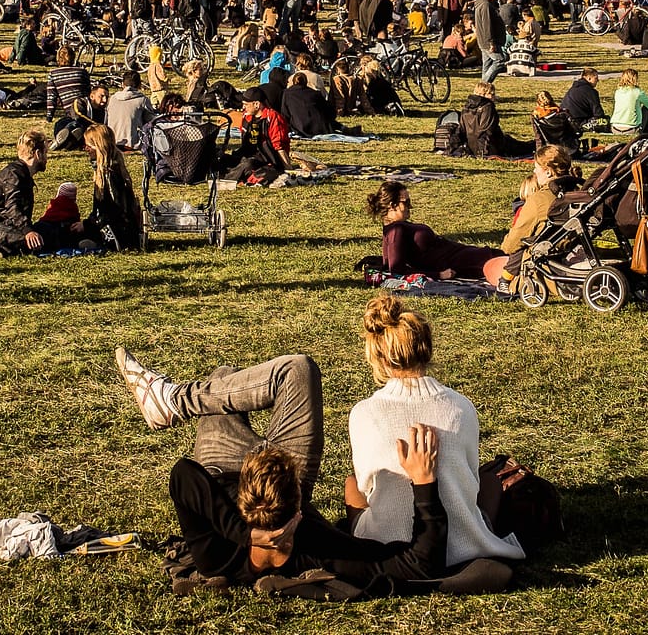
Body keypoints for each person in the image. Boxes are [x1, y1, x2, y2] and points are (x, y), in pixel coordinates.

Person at [112, 349, 462, 594]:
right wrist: (425, 483)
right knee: (291, 370)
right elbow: (420, 565)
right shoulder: (319, 548)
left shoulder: (214, 557)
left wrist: (244, 534)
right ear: (298, 511)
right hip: (278, 466)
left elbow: (184, 475)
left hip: (219, 466)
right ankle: (173, 401)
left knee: (223, 378)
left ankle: (173, 402)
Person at [346, 295, 526, 569]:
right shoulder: (461, 407)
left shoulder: (363, 413)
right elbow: (470, 479)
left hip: (387, 544)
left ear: (379, 356)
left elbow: (365, 485)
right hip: (461, 545)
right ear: (427, 349)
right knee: (487, 482)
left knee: (351, 485)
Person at [0, 130, 81, 258]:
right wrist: (28, 231)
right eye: (45, 153)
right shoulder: (14, 175)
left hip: (6, 225)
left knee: (44, 230)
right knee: (33, 240)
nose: (46, 158)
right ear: (38, 154)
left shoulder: (22, 175)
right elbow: (12, 207)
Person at [369, 181, 501, 280]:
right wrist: (439, 275)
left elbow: (389, 263)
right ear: (392, 206)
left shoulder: (392, 229)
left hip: (465, 256)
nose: (410, 206)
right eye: (406, 202)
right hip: (464, 262)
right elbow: (397, 270)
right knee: (506, 264)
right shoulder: (395, 231)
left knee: (505, 259)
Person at [82, 123, 143, 250]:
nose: (86, 150)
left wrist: (87, 225)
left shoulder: (110, 174)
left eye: (88, 146)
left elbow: (113, 213)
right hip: (117, 228)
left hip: (117, 233)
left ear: (98, 147)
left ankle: (98, 242)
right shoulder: (110, 170)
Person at [460, 81, 533, 158]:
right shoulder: (487, 107)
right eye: (492, 94)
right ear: (485, 94)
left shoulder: (466, 107)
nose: (494, 97)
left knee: (514, 142)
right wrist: (484, 153)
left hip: (470, 146)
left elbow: (462, 129)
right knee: (523, 146)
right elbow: (487, 131)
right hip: (490, 147)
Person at [105, 68, 155, 152]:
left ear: (122, 84)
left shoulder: (112, 98)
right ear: (139, 85)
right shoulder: (142, 100)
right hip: (132, 144)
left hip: (113, 142)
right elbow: (151, 121)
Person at [609, 69, 648, 135]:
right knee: (646, 108)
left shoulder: (618, 92)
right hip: (632, 129)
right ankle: (647, 129)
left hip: (615, 128)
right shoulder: (637, 92)